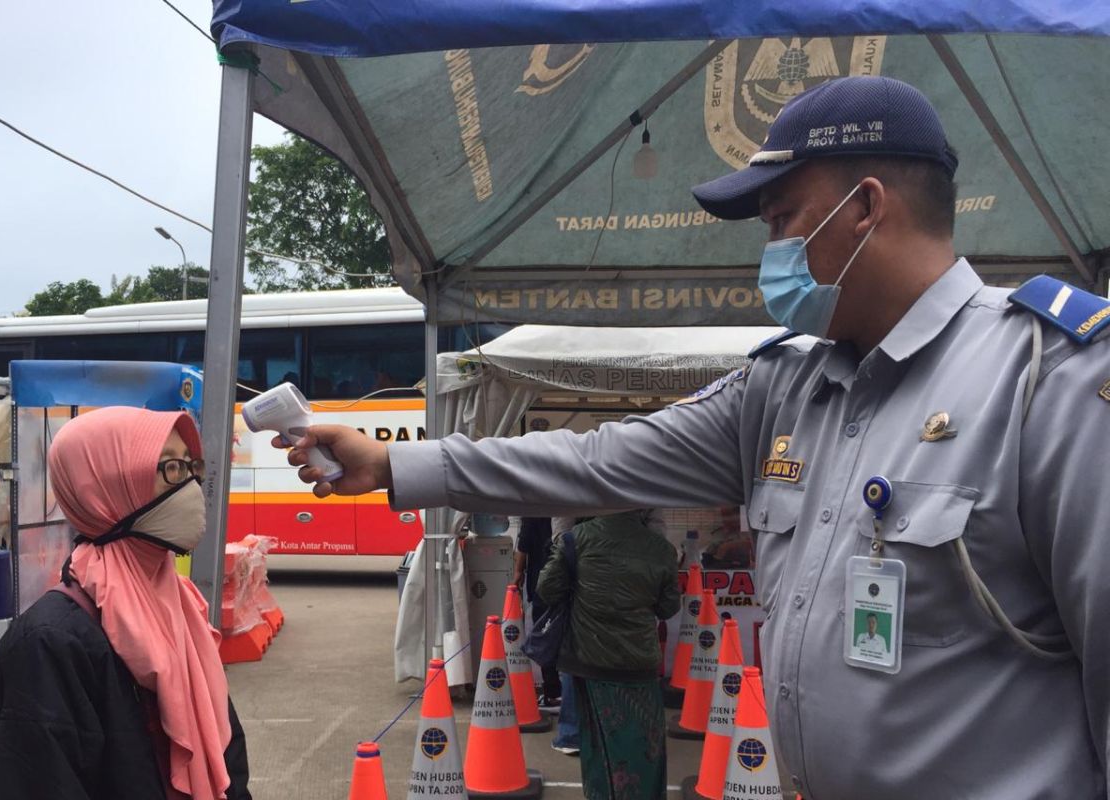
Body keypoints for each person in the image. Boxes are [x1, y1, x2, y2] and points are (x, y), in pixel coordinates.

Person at [281, 76, 1110, 799]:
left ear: (864, 208)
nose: (771, 250)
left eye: (783, 218)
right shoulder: (782, 386)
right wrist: (397, 461)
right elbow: (598, 463)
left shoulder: (1050, 381)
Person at [0, 407, 251, 800]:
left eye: (191, 466)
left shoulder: (184, 607)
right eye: (170, 467)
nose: (189, 484)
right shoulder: (50, 642)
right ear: (105, 487)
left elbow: (228, 759)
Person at [534, 511, 680, 798]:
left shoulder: (576, 540)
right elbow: (668, 608)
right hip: (640, 665)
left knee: (597, 746)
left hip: (590, 663)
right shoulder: (662, 549)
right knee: (643, 747)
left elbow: (547, 589)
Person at [511, 517, 563, 712]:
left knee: (545, 635)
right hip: (570, 581)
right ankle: (566, 692)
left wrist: (518, 571)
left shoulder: (534, 507)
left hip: (542, 580)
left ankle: (553, 693)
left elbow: (523, 543)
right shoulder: (571, 501)